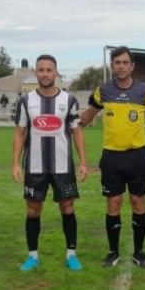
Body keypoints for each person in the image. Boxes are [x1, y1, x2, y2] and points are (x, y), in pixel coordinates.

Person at [79, 46, 145, 269]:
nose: (121, 66)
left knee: (138, 202)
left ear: (132, 66)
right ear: (112, 66)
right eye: (117, 62)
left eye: (125, 62)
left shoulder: (144, 90)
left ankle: (139, 252)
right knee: (114, 204)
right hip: (111, 157)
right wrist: (70, 124)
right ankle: (113, 252)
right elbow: (87, 117)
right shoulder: (103, 90)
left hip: (137, 156)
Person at [12, 54, 88, 272]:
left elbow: (77, 131)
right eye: (41, 70)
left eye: (49, 70)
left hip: (63, 167)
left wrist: (83, 161)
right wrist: (16, 164)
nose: (45, 73)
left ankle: (71, 255)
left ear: (56, 72)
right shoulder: (26, 101)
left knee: (67, 207)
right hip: (35, 167)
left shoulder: (69, 100)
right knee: (34, 210)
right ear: (36, 72)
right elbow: (19, 133)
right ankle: (33, 256)